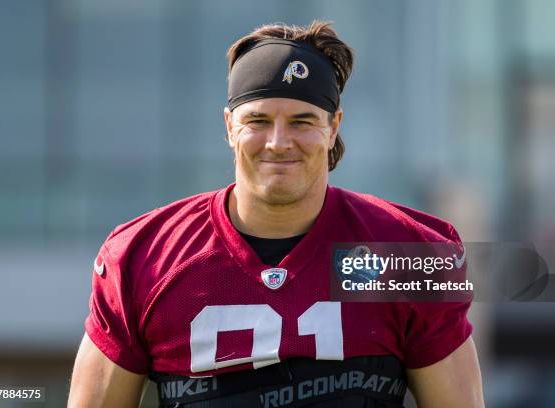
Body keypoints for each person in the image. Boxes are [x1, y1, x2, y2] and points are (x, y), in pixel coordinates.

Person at [68, 21, 484, 408]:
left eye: (302, 120)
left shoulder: (406, 251)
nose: (279, 142)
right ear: (230, 126)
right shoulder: (145, 256)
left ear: (334, 127)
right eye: (259, 121)